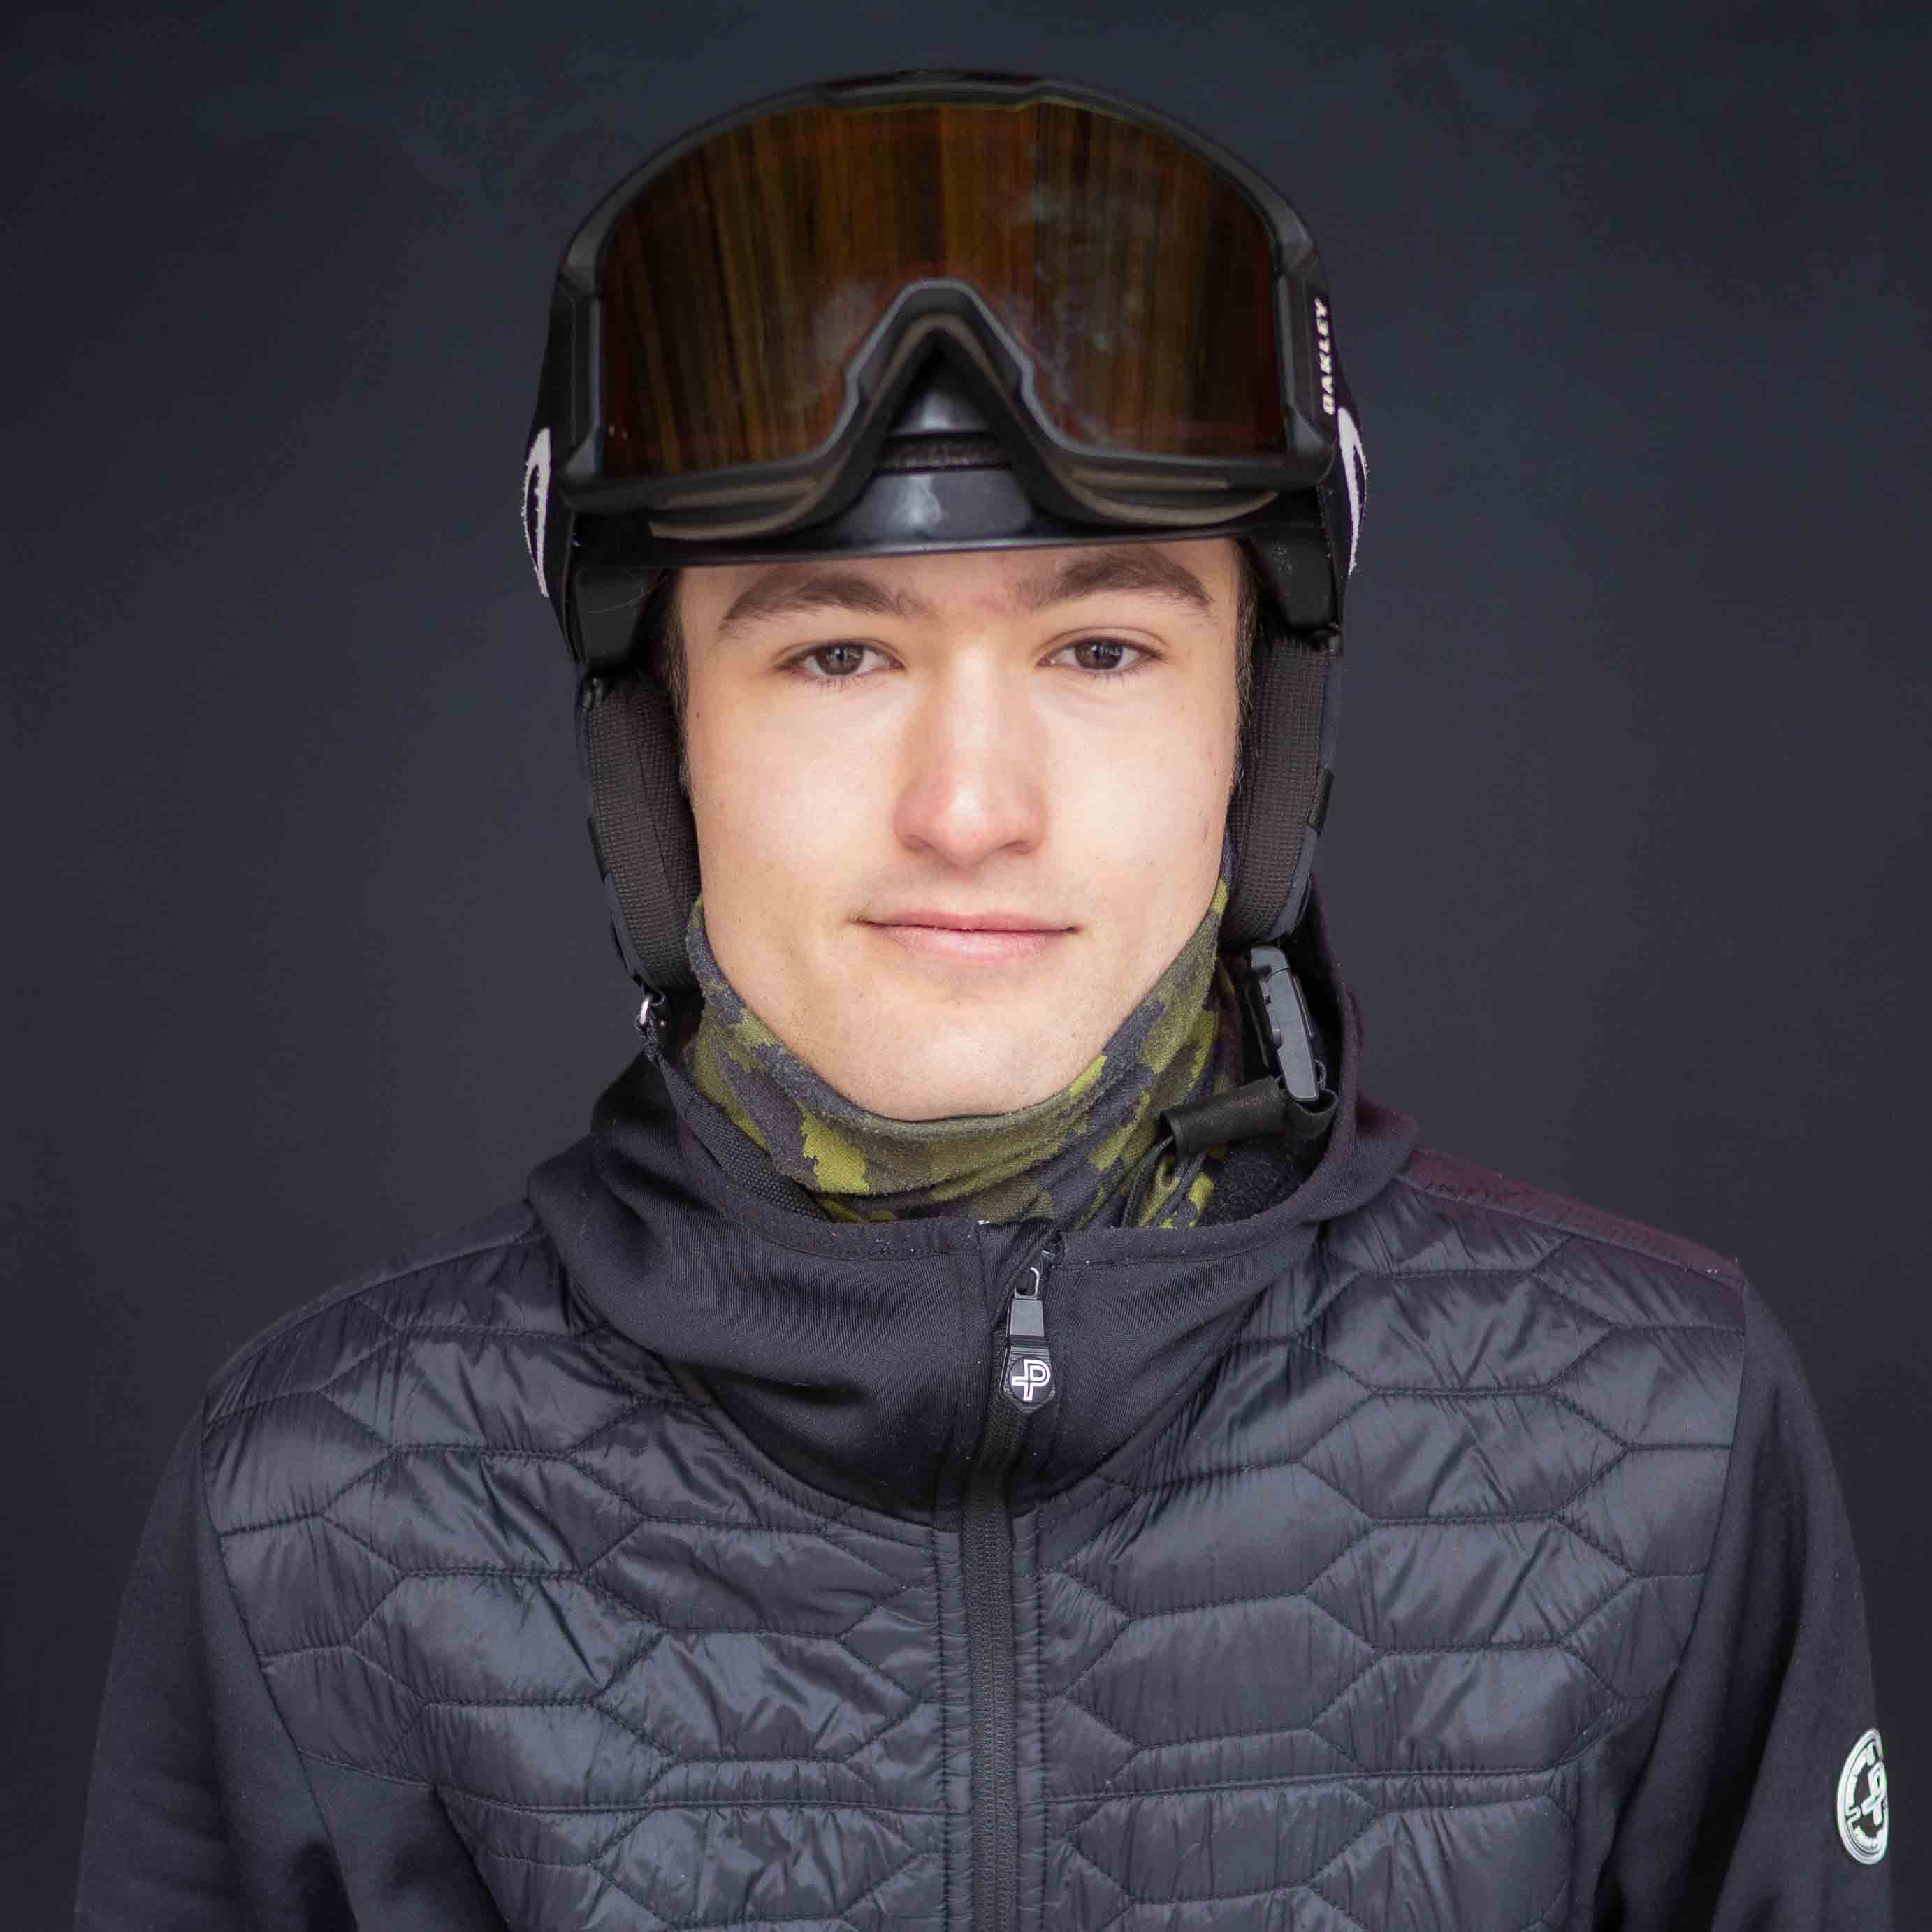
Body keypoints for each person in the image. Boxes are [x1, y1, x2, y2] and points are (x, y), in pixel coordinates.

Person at [74, 68, 1891, 1931]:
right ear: (659, 745)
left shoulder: (1661, 1446)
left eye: (1099, 648)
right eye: (837, 653)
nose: (967, 810)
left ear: (1258, 733)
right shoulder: (316, 1515)